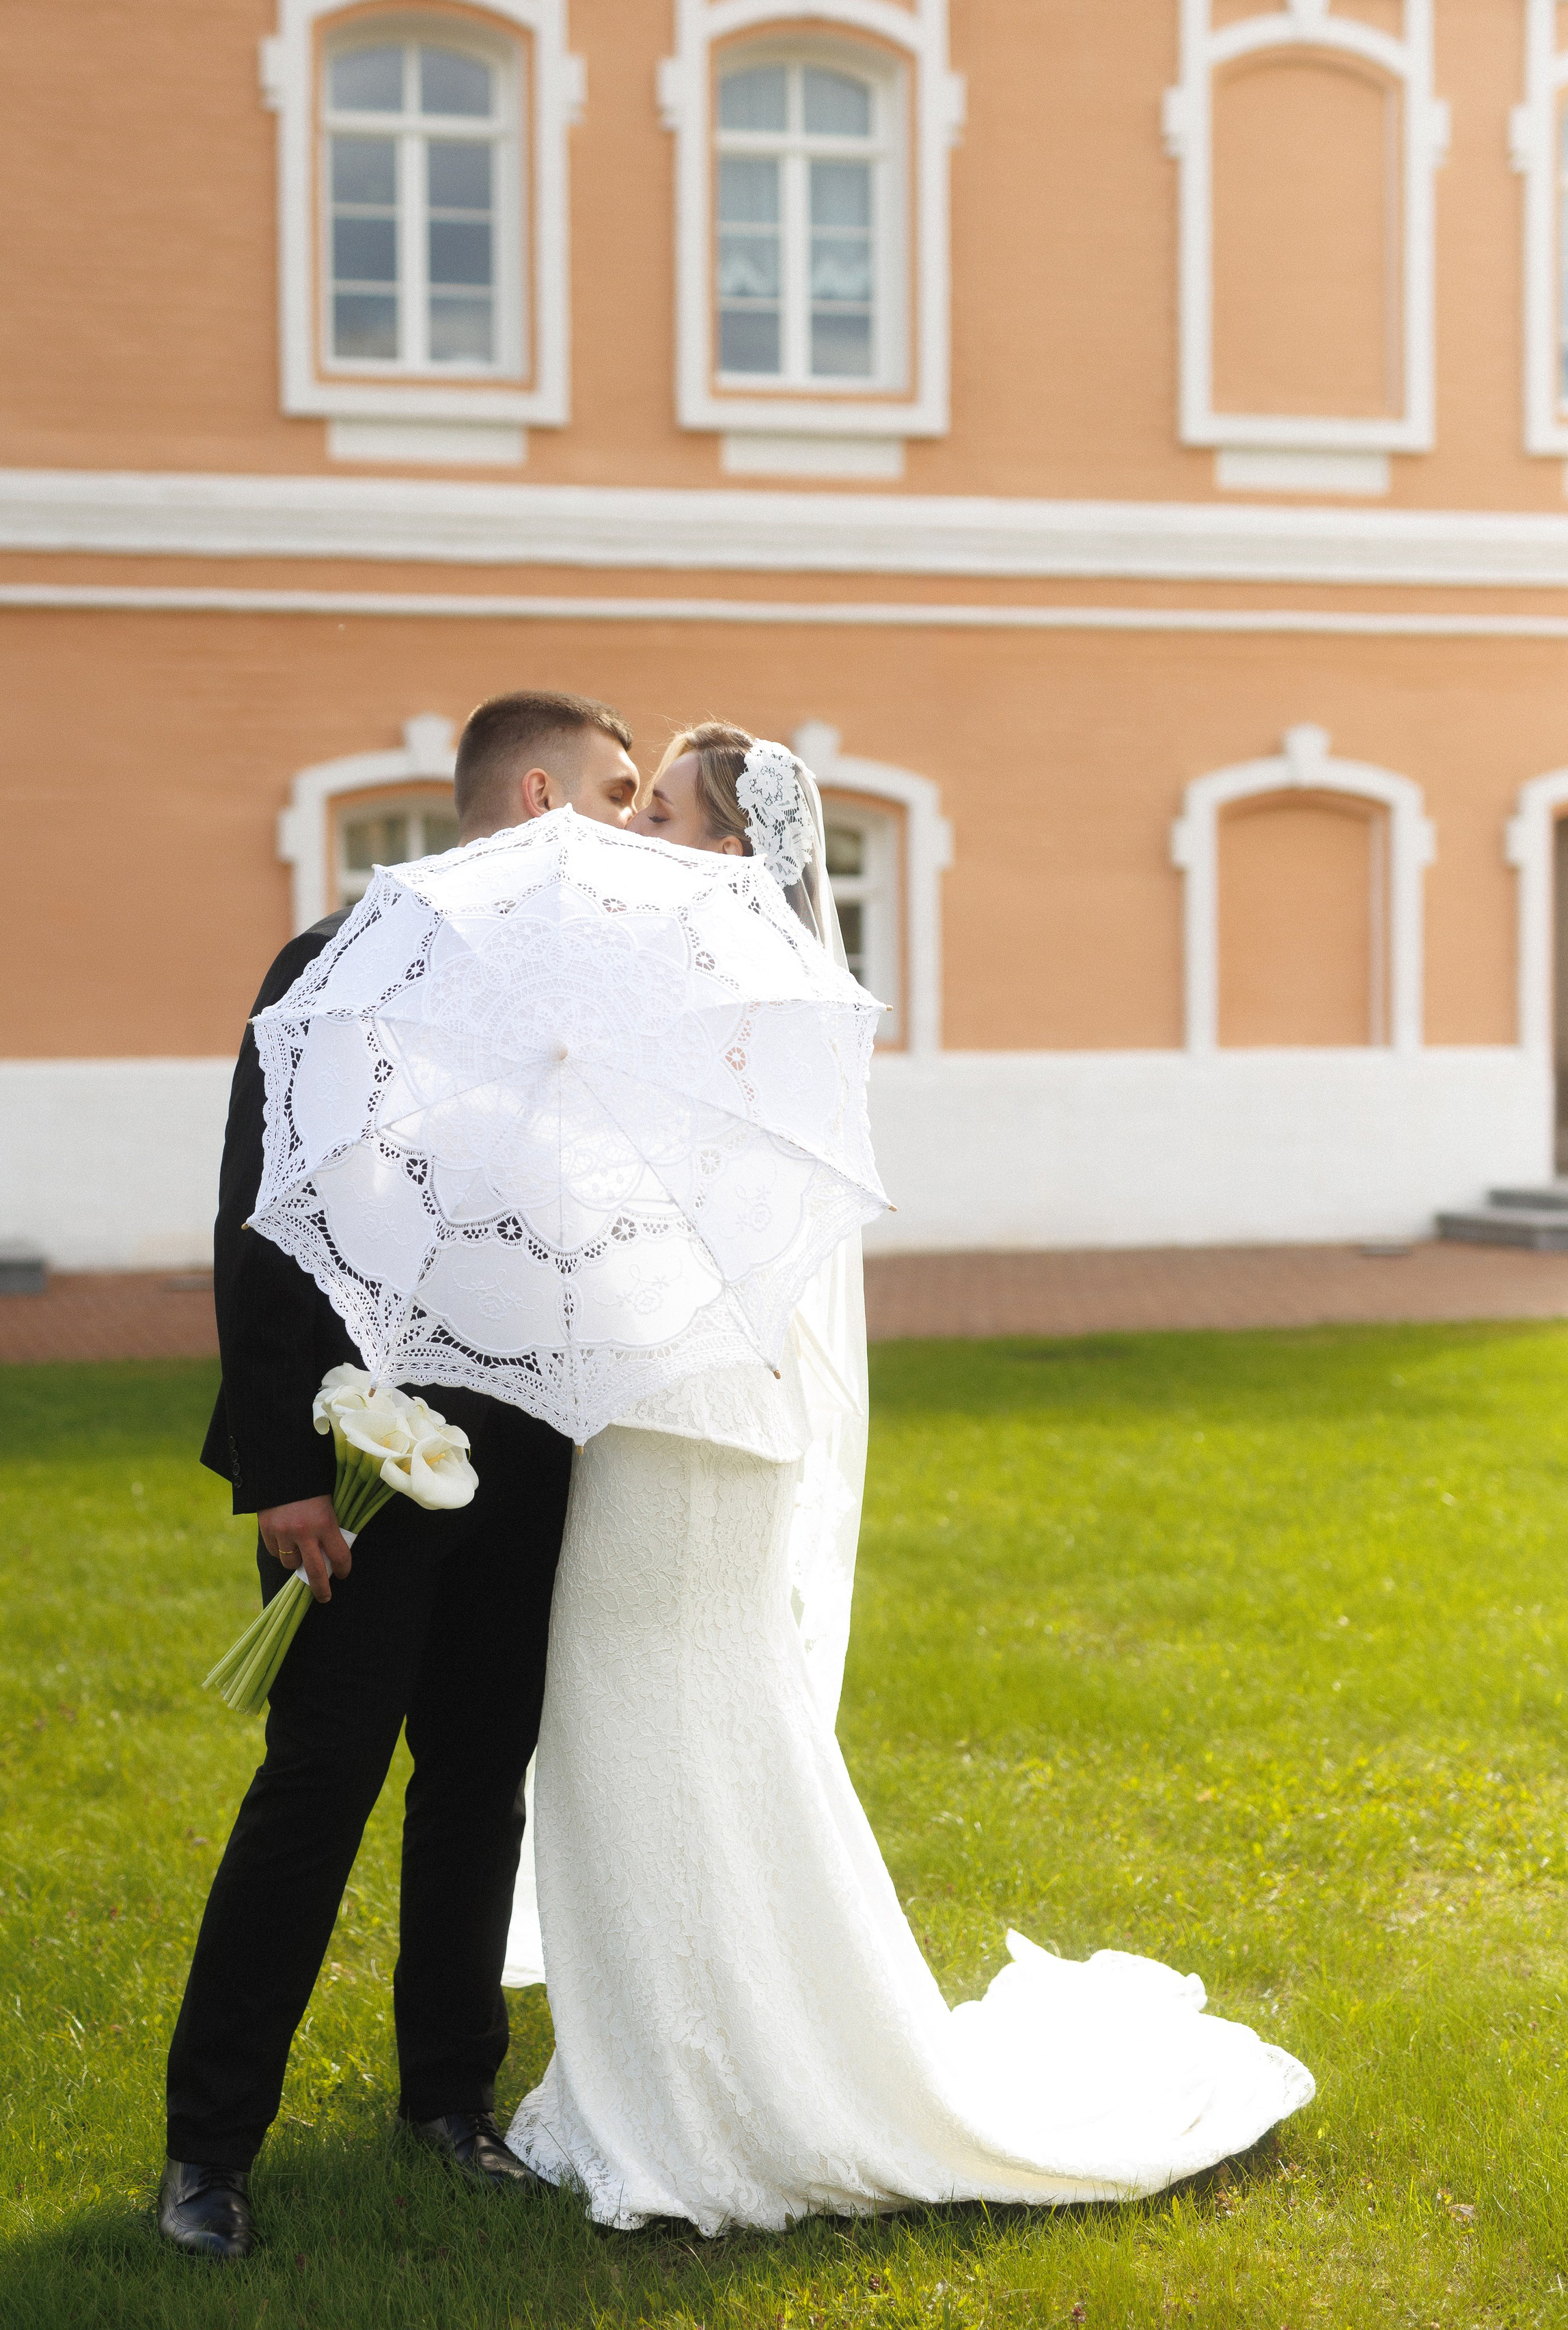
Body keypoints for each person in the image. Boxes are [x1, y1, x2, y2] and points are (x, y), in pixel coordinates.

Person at [504, 722, 1315, 2232]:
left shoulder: (749, 1010)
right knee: (643, 1734)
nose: (643, 840)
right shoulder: (672, 991)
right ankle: (658, 2062)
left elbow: (727, 1234)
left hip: (696, 1426)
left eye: (665, 817)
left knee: (663, 1721)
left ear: (735, 851)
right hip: (650, 1414)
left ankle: (721, 2095)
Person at [159, 690, 641, 2262]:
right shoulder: (339, 963)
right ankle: (206, 2151)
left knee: (477, 1782)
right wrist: (289, 1469)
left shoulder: (586, 1000)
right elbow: (262, 1216)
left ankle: (448, 2101)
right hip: (356, 1450)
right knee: (318, 1785)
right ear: (528, 789)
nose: (631, 827)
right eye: (613, 795)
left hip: (525, 1450)